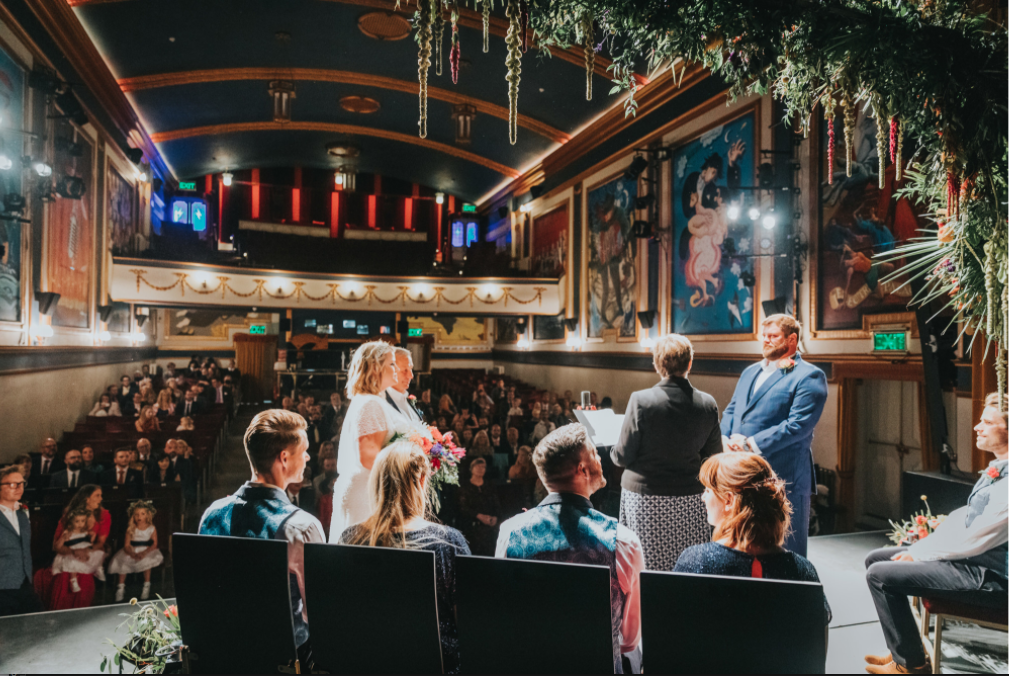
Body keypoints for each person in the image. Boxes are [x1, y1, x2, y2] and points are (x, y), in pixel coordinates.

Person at [861, 393, 1008, 675]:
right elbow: (964, 518)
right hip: (974, 561)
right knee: (875, 559)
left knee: (880, 575)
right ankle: (904, 651)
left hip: (991, 577)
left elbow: (975, 539)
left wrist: (919, 554)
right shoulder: (998, 468)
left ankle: (911, 666)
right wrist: (921, 547)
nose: (977, 427)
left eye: (988, 423)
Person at [496, 424, 644, 673]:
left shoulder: (510, 531)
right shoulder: (622, 540)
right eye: (595, 453)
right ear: (583, 469)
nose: (600, 459)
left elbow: (507, 611)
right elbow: (629, 640)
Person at [199, 410, 325, 664]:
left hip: (220, 656)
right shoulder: (302, 527)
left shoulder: (212, 514)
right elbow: (318, 613)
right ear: (284, 458)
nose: (308, 457)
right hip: (283, 661)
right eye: (304, 450)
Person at [340, 441, 471, 673]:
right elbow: (468, 626)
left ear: (377, 483)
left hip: (371, 665)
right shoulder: (447, 542)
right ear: (421, 481)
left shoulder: (351, 538)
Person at [673, 452, 831, 621]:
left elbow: (672, 623)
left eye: (707, 490)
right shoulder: (803, 570)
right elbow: (819, 633)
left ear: (729, 500)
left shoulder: (696, 560)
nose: (703, 497)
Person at [611, 334, 722, 571]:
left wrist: (613, 451)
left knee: (647, 566)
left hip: (645, 498)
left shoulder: (641, 400)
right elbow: (714, 458)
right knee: (689, 566)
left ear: (656, 364)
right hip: (691, 498)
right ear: (690, 363)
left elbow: (623, 456)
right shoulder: (707, 403)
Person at [719, 314, 827, 556]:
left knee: (785, 551)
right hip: (742, 474)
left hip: (783, 475)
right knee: (745, 547)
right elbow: (733, 409)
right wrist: (724, 438)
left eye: (773, 336)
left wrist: (750, 444)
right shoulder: (750, 372)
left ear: (792, 340)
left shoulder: (808, 375)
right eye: (764, 336)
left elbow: (798, 425)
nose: (766, 341)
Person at [329, 341, 402, 541]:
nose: (396, 368)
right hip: (366, 494)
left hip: (367, 488)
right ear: (376, 367)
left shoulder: (367, 400)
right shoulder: (370, 403)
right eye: (392, 364)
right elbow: (369, 458)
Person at [35, 485, 110, 610]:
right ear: (86, 498)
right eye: (97, 495)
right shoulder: (69, 516)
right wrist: (74, 551)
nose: (101, 499)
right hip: (68, 557)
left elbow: (100, 544)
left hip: (87, 558)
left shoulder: (103, 516)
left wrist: (86, 550)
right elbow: (56, 546)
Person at [0, 465, 44, 616]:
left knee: (37, 620)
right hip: (2, 586)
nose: (19, 488)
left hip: (23, 582)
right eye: (13, 484)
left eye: (22, 483)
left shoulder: (23, 513)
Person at [108, 500, 163, 602]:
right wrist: (131, 553)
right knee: (123, 562)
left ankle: (146, 586)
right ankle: (120, 588)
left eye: (142, 514)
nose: (139, 517)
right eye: (137, 514)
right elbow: (126, 545)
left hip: (146, 550)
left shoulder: (151, 528)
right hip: (132, 550)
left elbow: (154, 544)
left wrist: (144, 553)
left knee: (147, 562)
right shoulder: (131, 529)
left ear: (147, 515)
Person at [51, 508, 105, 594]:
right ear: (72, 521)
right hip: (73, 550)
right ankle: (73, 580)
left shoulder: (85, 531)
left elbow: (90, 543)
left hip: (84, 550)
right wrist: (64, 538)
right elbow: (58, 546)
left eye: (82, 521)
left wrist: (92, 537)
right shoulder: (68, 531)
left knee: (99, 553)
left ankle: (99, 568)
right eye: (77, 521)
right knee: (73, 560)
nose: (80, 524)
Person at [459, 457, 501, 555]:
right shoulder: (465, 487)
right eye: (477, 466)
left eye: (483, 467)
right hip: (472, 527)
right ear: (471, 468)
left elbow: (496, 504)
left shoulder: (490, 486)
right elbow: (462, 507)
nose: (480, 469)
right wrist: (478, 516)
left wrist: (495, 517)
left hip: (490, 528)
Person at [384, 347, 424, 423]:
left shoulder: (407, 399)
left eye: (411, 369)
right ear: (390, 371)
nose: (411, 376)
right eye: (404, 370)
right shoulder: (382, 402)